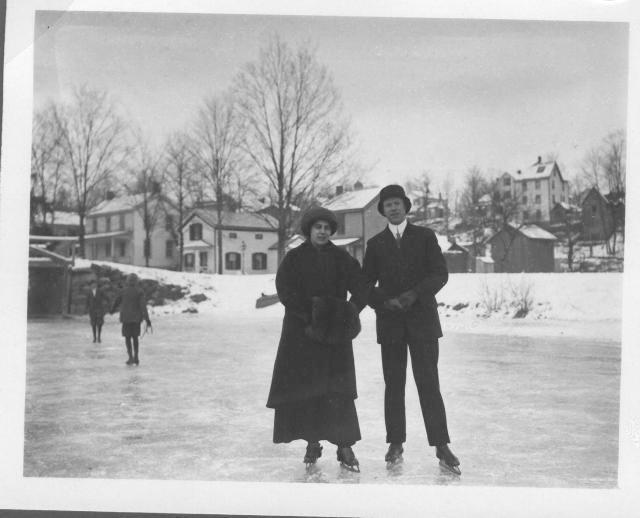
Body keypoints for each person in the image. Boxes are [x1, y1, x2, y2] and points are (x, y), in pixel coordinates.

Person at [362, 184, 461, 475]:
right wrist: (383, 301)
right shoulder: (376, 244)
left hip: (423, 323)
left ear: (406, 207)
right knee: (394, 386)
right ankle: (395, 442)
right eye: (387, 205)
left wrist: (414, 294)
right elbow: (365, 283)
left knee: (429, 384)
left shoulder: (425, 237)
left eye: (397, 203)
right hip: (390, 323)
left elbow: (439, 273)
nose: (393, 208)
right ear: (383, 211)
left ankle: (441, 444)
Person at [267, 207, 369, 472]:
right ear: (309, 230)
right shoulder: (294, 258)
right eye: (318, 227)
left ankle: (345, 446)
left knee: (338, 392)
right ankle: (312, 441)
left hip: (334, 337)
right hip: (301, 335)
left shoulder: (341, 258)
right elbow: (285, 291)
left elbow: (361, 288)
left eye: (327, 228)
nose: (322, 232)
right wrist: (312, 314)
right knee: (308, 389)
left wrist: (348, 313)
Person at [111, 273, 151, 366]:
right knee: (135, 338)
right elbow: (143, 306)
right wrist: (147, 318)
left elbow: (117, 301)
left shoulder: (123, 291)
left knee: (127, 338)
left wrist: (112, 309)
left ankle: (130, 357)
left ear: (128, 281)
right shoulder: (139, 291)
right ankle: (136, 356)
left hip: (126, 318)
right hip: (136, 319)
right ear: (136, 281)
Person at [86, 278, 109, 343]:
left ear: (96, 285)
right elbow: (87, 301)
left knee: (99, 324)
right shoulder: (89, 292)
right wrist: (86, 309)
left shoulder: (100, 291)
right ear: (91, 285)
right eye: (92, 284)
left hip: (99, 310)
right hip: (92, 310)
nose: (93, 285)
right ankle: (94, 337)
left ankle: (99, 337)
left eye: (94, 284)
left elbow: (106, 298)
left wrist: (106, 305)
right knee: (93, 324)